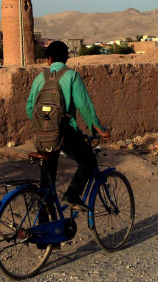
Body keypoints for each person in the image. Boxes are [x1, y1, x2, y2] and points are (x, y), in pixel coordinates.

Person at [26, 40, 111, 212]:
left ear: (49, 59)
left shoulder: (39, 78)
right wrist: (98, 129)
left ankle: (45, 229)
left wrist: (45, 125)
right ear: (66, 58)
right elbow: (85, 106)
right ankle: (73, 193)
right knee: (88, 161)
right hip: (65, 133)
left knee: (47, 183)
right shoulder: (71, 76)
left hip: (42, 136)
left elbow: (29, 109)